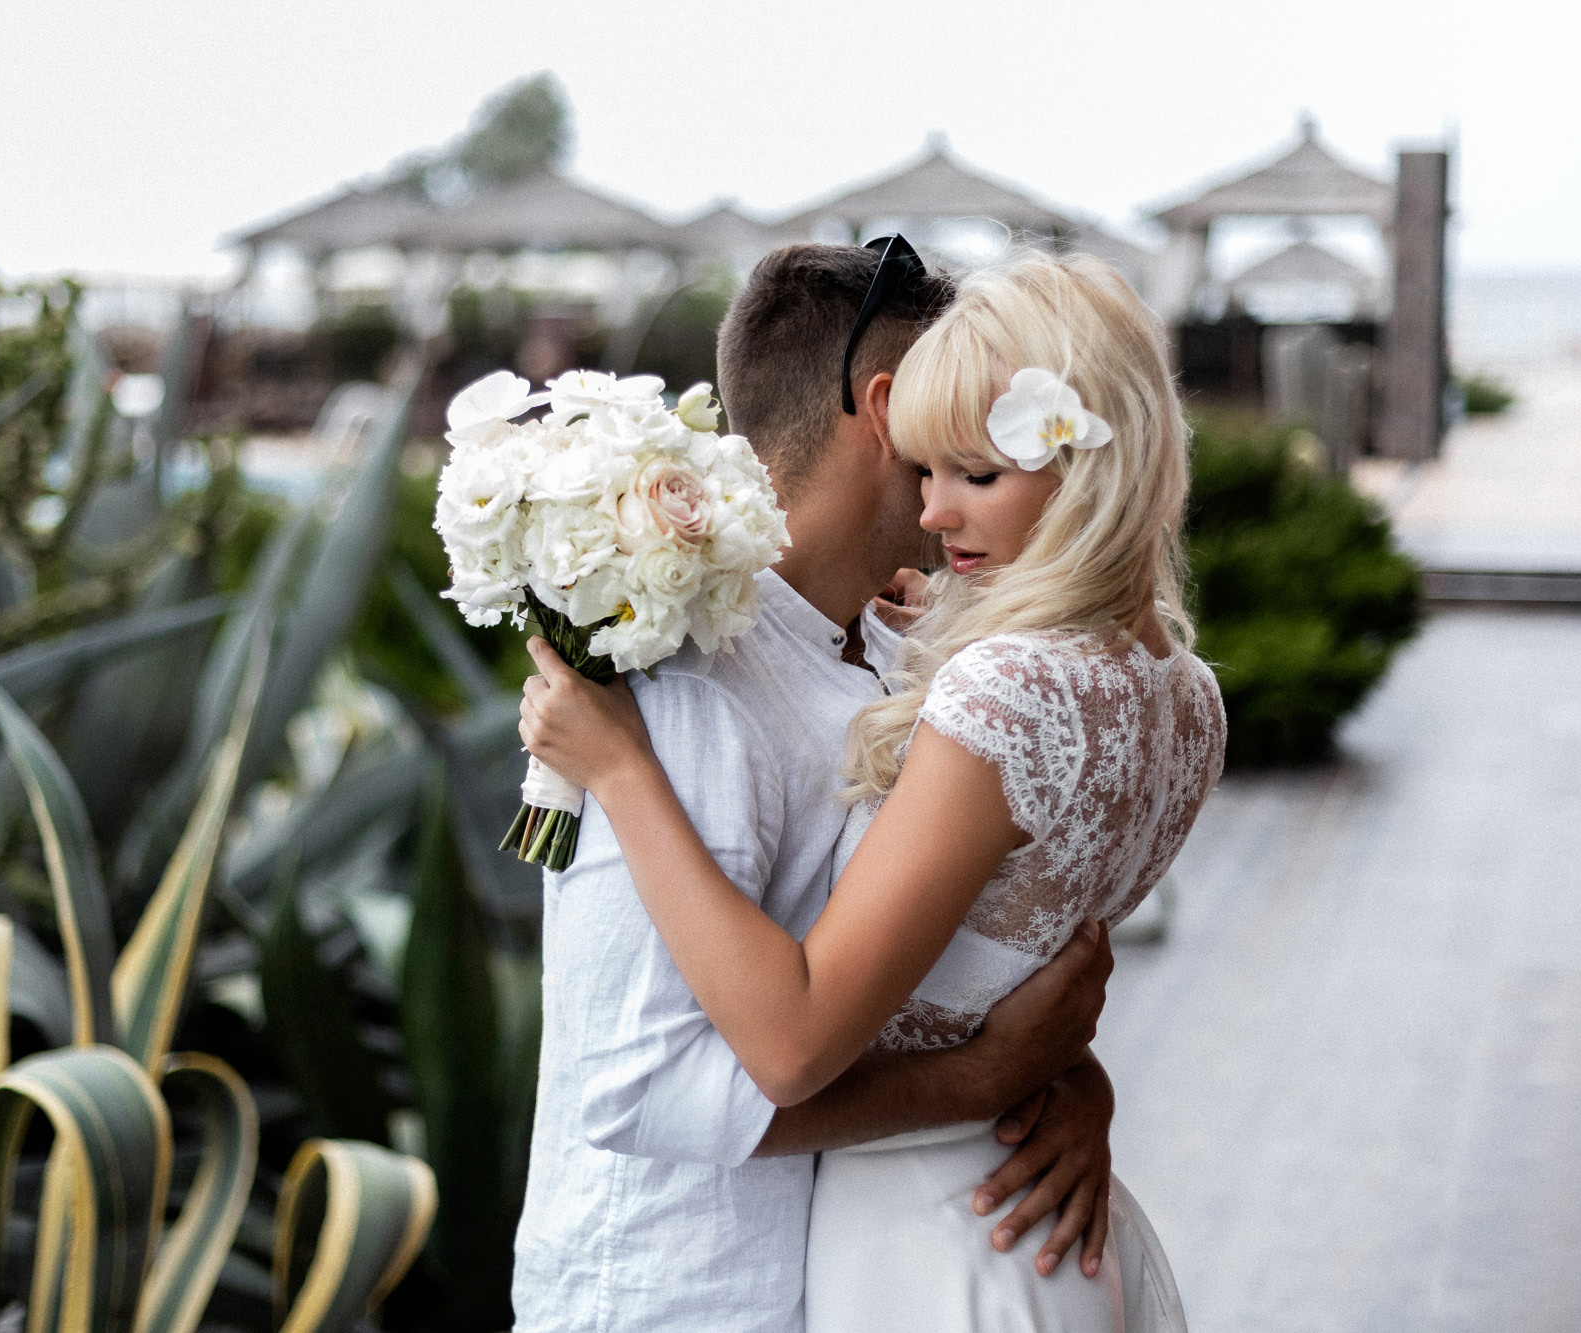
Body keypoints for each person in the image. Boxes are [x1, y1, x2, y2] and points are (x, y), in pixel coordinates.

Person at [518, 250, 1226, 1331]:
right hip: (684, 1298)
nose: (941, 511)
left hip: (929, 1244)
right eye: (933, 465)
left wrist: (1055, 1075)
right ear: (887, 413)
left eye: (973, 468)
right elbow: (634, 1085)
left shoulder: (936, 668)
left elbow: (991, 947)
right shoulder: (685, 681)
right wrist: (994, 1077)